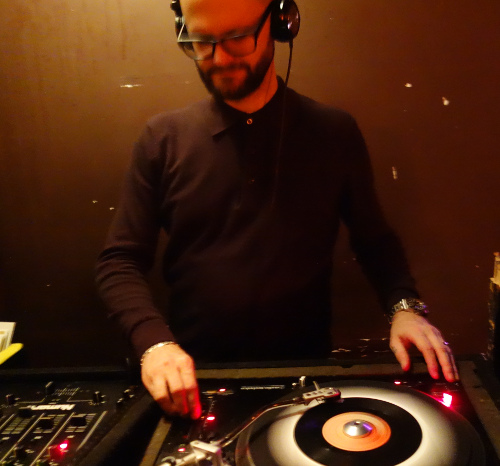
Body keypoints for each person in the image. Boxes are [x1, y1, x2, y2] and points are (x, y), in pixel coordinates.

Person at [95, 0, 458, 420]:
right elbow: (119, 260)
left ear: (281, 23)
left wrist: (405, 309)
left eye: (236, 38)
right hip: (194, 379)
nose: (219, 58)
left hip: (306, 377)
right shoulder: (162, 138)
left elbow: (374, 241)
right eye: (201, 41)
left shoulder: (334, 132)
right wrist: (154, 344)